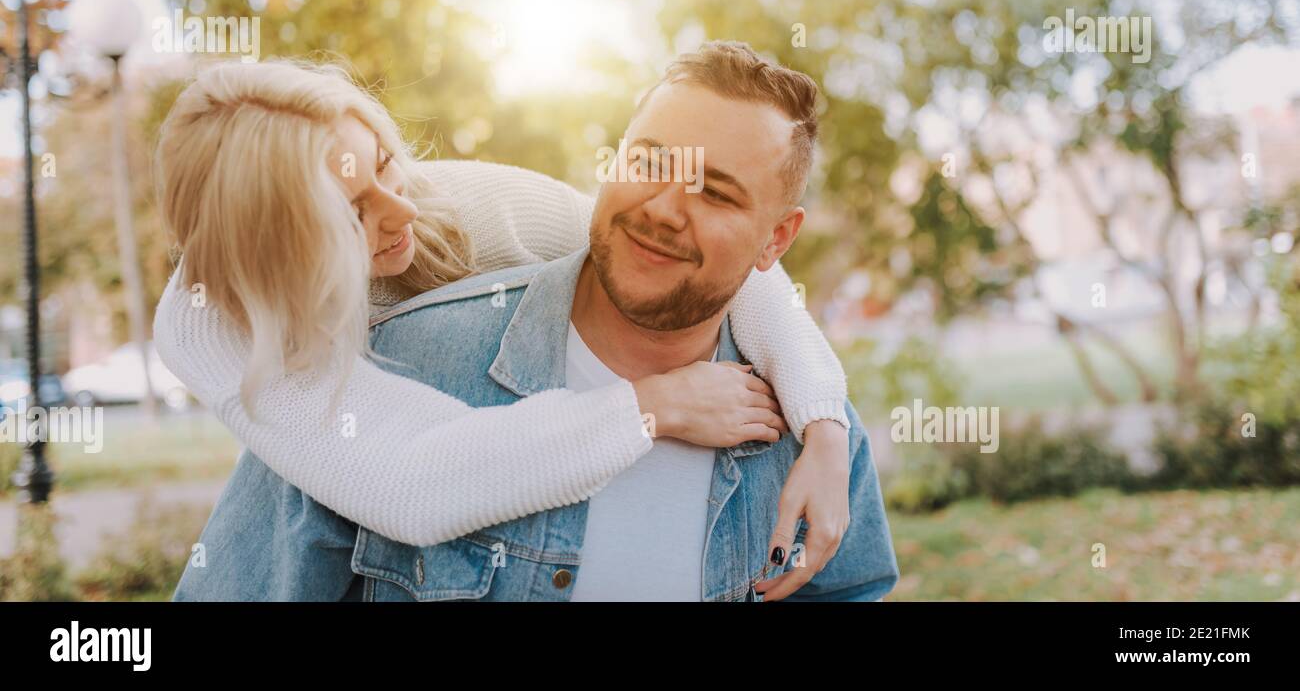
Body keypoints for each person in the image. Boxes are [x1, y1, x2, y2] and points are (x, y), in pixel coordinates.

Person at [174, 42, 898, 601]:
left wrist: (826, 424)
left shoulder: (486, 210)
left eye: (715, 192)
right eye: (347, 213)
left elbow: (713, 272)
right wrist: (656, 405)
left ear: (779, 237)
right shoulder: (307, 367)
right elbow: (415, 482)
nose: (663, 205)